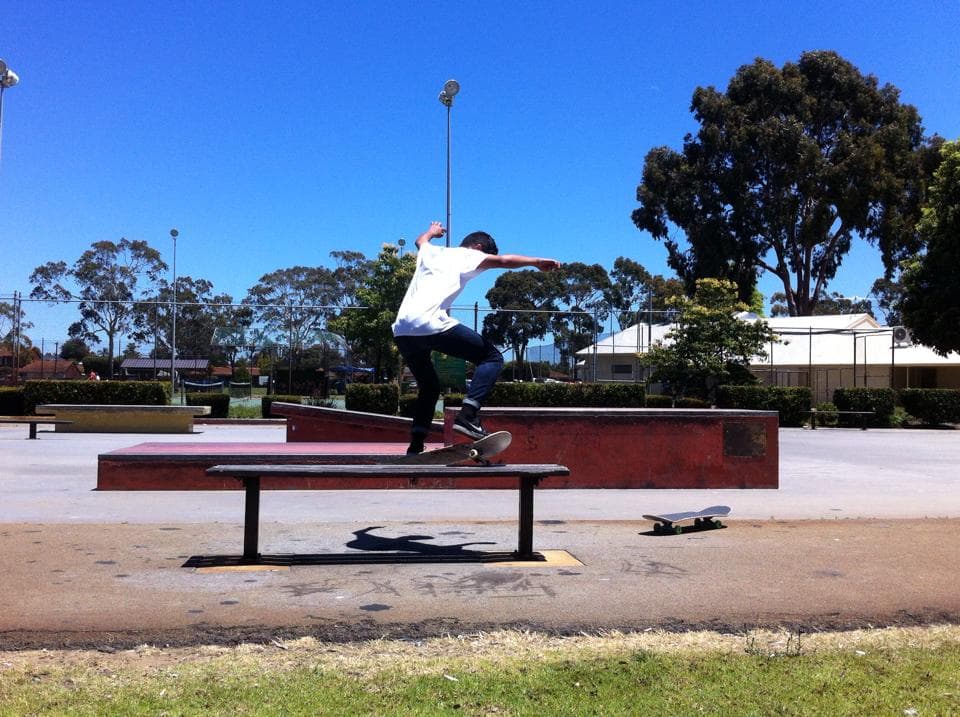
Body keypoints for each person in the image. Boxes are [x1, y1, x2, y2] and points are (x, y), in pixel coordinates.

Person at [392, 221, 561, 454]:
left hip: (402, 329)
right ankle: (468, 415)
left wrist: (432, 232)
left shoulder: (431, 251)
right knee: (492, 358)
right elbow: (503, 261)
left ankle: (415, 445)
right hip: (430, 323)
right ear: (479, 247)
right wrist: (536, 262)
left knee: (429, 387)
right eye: (485, 258)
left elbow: (420, 240)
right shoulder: (467, 256)